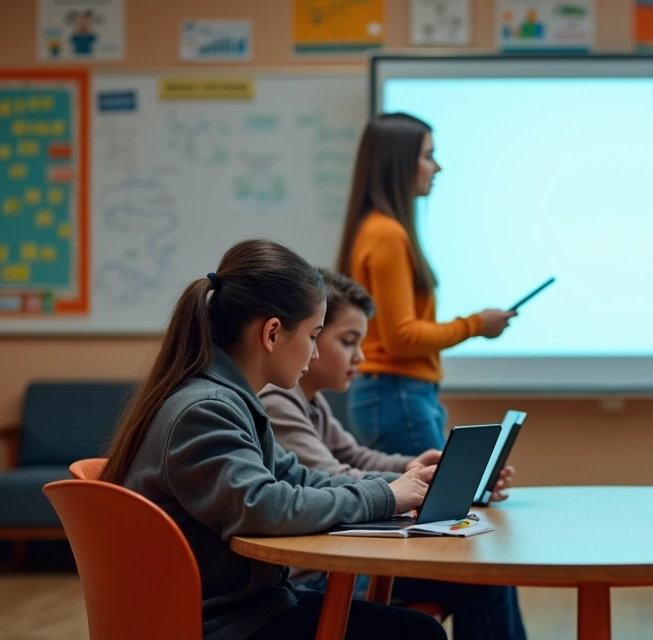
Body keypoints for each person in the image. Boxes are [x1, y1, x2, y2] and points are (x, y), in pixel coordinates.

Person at [98, 239, 446, 640]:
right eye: (314, 335)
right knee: (418, 635)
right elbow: (263, 508)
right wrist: (385, 496)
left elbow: (298, 478)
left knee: (417, 628)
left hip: (250, 606)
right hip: (224, 623)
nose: (314, 354)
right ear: (272, 333)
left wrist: (400, 486)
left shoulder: (226, 398)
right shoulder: (205, 408)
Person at [260, 268, 527, 640]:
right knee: (482, 579)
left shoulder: (311, 402)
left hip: (340, 561)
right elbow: (331, 475)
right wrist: (409, 484)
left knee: (483, 575)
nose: (361, 357)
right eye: (347, 341)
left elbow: (357, 456)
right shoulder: (276, 401)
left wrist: (415, 468)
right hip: (321, 574)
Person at [336, 113, 516, 456]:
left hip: (397, 394)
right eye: (427, 156)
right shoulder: (387, 233)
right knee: (441, 504)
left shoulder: (376, 228)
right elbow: (402, 339)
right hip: (397, 393)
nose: (437, 168)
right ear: (400, 163)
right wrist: (476, 325)